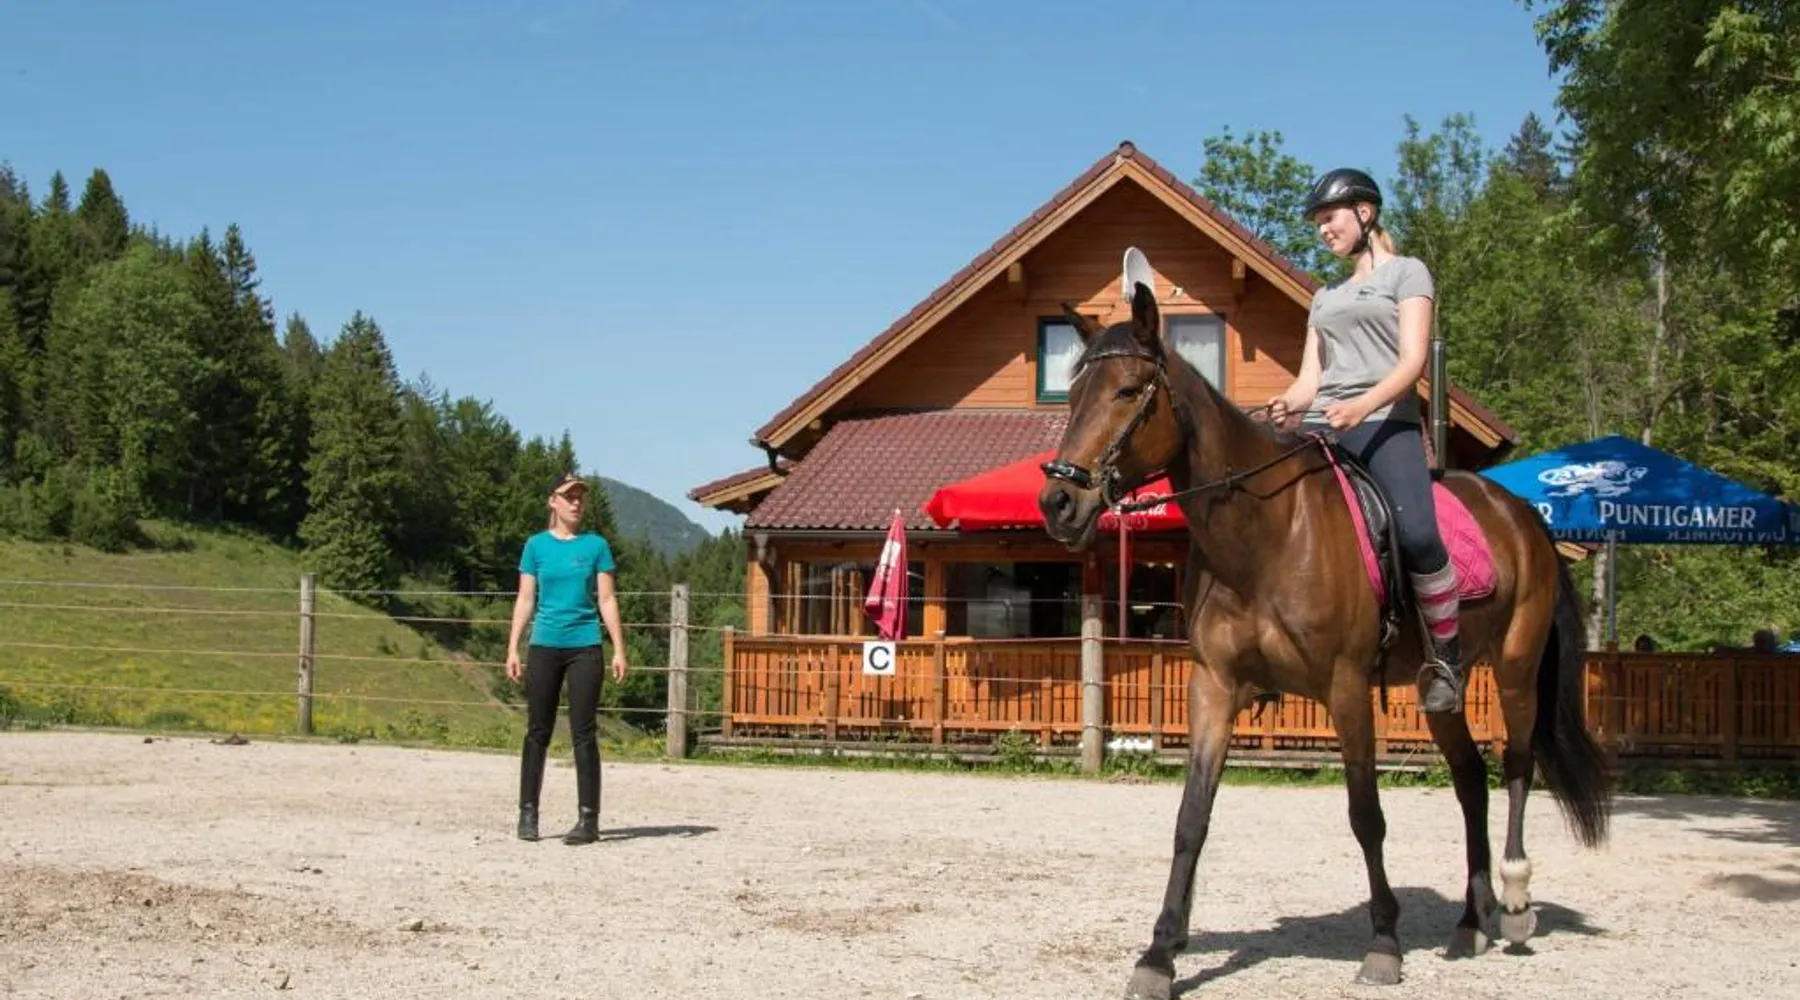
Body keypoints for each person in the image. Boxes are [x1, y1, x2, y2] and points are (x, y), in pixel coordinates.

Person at [1267, 167, 1466, 715]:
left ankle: (1446, 659)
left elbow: (1413, 362)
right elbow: (1310, 380)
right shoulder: (1323, 297)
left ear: (1364, 212)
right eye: (1317, 222)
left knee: (1418, 533)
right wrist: (1287, 404)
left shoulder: (1407, 273)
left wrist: (1362, 405)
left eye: (1328, 218)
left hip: (1386, 425)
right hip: (1322, 426)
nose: (1322, 230)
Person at [505, 471, 628, 845]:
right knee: (537, 730)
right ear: (553, 501)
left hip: (585, 646)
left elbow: (606, 599)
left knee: (584, 733)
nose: (576, 502)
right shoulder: (535, 546)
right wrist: (513, 647)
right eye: (569, 496)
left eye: (580, 497)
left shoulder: (596, 546)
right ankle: (528, 814)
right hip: (544, 645)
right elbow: (526, 598)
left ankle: (589, 820)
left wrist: (619, 649)